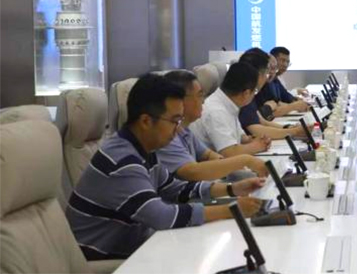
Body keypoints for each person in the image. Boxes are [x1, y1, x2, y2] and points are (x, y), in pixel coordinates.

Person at [66, 74, 265, 261]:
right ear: (146, 121)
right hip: (106, 260)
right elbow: (162, 217)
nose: (178, 130)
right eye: (174, 121)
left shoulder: (143, 149)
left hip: (135, 248)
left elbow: (176, 189)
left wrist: (232, 189)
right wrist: (231, 210)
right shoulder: (123, 161)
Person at [156, 70, 269, 181]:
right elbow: (191, 171)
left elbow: (207, 154)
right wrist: (245, 161)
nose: (203, 101)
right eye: (200, 95)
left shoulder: (184, 130)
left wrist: (229, 167)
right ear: (180, 100)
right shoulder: (166, 135)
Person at [191, 62, 272, 157]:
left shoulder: (228, 103)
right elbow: (228, 152)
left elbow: (240, 138)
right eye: (255, 91)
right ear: (246, 93)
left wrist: (253, 140)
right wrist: (257, 146)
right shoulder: (216, 111)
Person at [237, 49, 307, 139]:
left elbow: (261, 120)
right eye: (267, 71)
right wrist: (294, 131)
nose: (270, 74)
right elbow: (256, 129)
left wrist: (288, 128)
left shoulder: (251, 89)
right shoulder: (244, 92)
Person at [263, 46, 310, 117]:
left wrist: (301, 103)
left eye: (288, 62)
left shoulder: (275, 80)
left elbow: (288, 98)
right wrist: (294, 106)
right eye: (282, 60)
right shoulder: (265, 83)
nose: (285, 65)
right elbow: (271, 112)